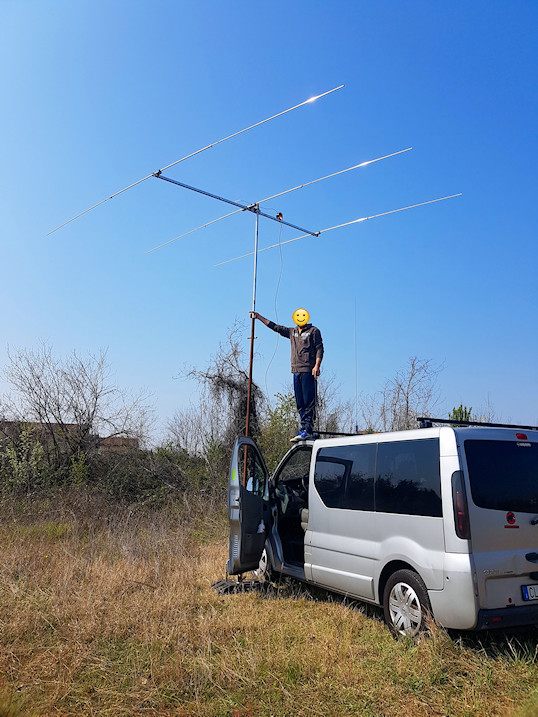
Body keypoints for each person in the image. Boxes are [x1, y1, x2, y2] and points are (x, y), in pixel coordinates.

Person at [250, 308, 323, 441]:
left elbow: (319, 348)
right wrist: (259, 317)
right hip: (295, 371)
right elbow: (275, 327)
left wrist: (317, 366)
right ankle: (303, 428)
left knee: (308, 400)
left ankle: (308, 428)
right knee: (300, 401)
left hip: (307, 369)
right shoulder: (292, 331)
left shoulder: (313, 331)